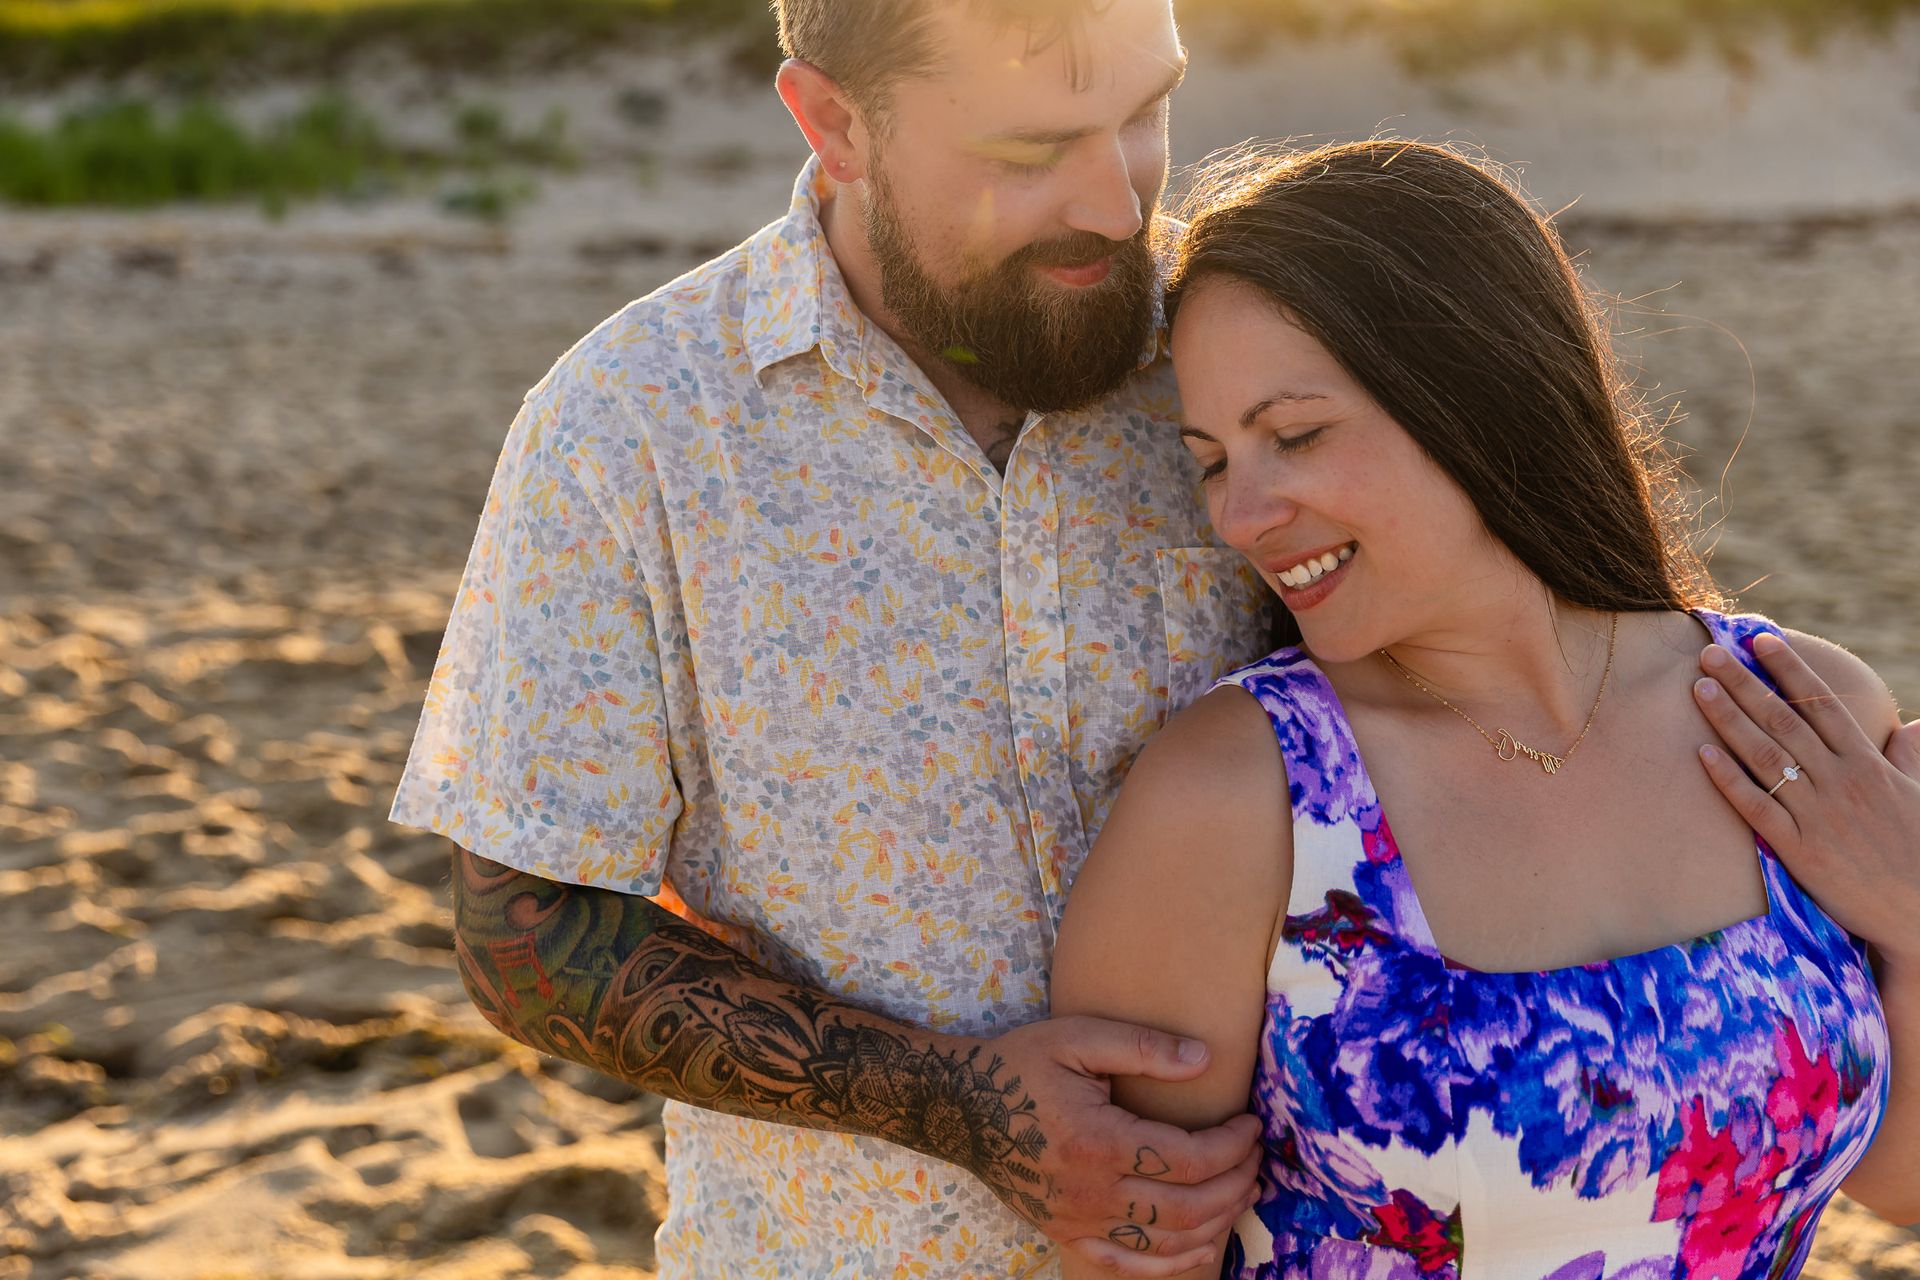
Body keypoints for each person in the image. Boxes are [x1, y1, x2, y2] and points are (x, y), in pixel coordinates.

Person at [390, 1, 1278, 1275]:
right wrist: (956, 1103)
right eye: (1030, 152)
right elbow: (523, 931)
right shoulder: (628, 427)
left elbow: (1497, 636)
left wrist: (1667, 675)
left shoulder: (1258, 358)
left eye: (1144, 114)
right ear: (833, 123)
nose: (1116, 206)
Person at [1050, 139, 1920, 1280]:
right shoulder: (1241, 797)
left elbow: (1894, 1180)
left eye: (1296, 435)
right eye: (1214, 460)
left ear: (1480, 391)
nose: (1243, 514)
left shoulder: (1794, 713)